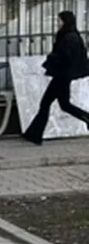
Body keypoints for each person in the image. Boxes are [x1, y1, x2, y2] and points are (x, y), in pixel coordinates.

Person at [22, 10, 89, 145]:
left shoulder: (69, 37)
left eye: (59, 20)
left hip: (62, 75)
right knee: (64, 105)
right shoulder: (69, 35)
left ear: (65, 21)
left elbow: (66, 57)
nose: (57, 23)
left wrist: (51, 58)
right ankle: (33, 134)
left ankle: (35, 135)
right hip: (63, 75)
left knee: (45, 103)